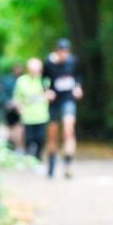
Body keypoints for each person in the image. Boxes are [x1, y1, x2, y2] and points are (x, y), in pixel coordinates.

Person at [44, 38, 83, 178]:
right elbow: (43, 80)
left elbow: (78, 76)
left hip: (68, 99)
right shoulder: (48, 63)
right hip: (54, 101)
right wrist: (46, 90)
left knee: (68, 128)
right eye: (61, 51)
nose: (63, 54)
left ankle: (68, 163)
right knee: (53, 133)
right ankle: (52, 162)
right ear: (57, 51)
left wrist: (78, 87)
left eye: (66, 52)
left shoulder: (73, 61)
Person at [12, 58, 50, 162]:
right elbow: (16, 98)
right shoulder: (21, 81)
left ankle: (38, 158)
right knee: (29, 139)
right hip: (27, 117)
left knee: (41, 139)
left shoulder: (45, 80)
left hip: (42, 116)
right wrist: (19, 108)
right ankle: (30, 159)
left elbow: (51, 94)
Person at [4, 63, 24, 152]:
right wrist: (9, 102)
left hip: (21, 108)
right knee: (11, 128)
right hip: (10, 109)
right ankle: (10, 144)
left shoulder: (24, 80)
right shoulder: (8, 81)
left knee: (20, 127)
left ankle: (18, 146)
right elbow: (4, 94)